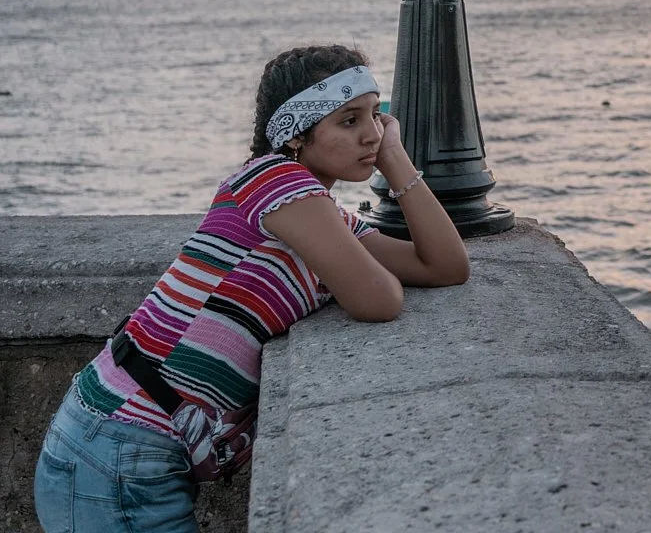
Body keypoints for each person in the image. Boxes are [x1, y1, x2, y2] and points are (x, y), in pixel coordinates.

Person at [33, 44, 470, 533]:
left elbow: (446, 266)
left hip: (130, 445)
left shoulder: (321, 215)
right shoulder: (273, 182)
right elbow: (380, 300)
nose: (372, 133)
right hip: (117, 445)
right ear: (296, 135)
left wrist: (397, 163)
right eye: (349, 121)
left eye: (375, 115)